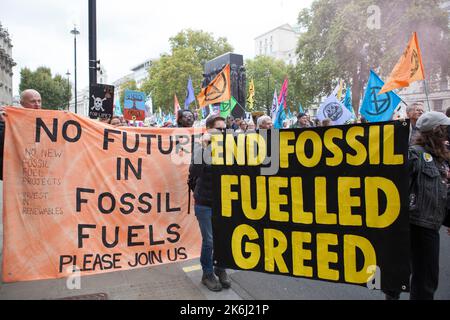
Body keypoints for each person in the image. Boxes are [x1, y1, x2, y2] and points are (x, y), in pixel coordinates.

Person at [384, 111, 450, 300]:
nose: (448, 133)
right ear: (437, 131)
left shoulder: (441, 158)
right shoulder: (414, 155)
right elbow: (396, 187)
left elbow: (442, 192)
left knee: (427, 279)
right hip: (413, 224)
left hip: (431, 226)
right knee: (403, 273)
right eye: (446, 129)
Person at [189, 114, 232, 292]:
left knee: (223, 238)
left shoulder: (230, 146)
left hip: (225, 201)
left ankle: (220, 268)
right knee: (210, 241)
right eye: (219, 129)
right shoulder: (200, 146)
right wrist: (205, 146)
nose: (222, 132)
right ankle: (207, 273)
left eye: (224, 129)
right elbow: (195, 170)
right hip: (205, 201)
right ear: (208, 130)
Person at [0, 89, 42, 180]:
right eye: (33, 101)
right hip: (15, 174)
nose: (37, 104)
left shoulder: (48, 120)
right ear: (22, 103)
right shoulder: (8, 118)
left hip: (37, 174)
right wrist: (3, 124)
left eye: (39, 101)